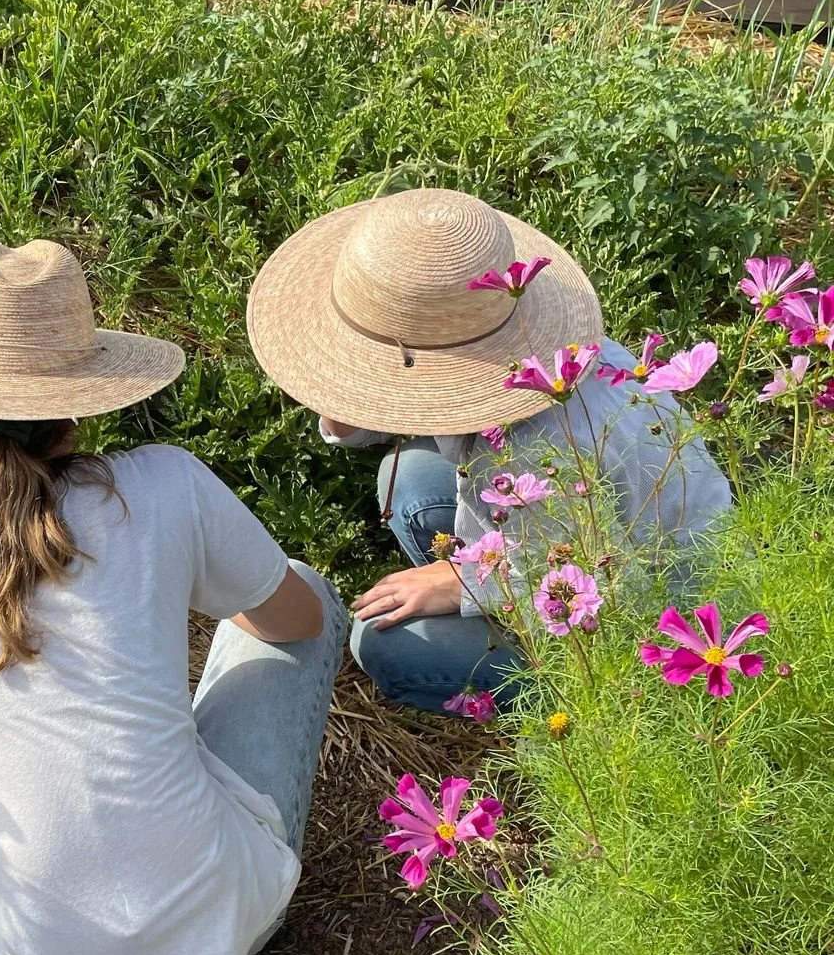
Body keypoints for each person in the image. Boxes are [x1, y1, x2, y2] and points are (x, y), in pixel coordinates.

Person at [0, 238, 347, 955]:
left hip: (11, 947)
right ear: (84, 398)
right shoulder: (162, 483)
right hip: (219, 918)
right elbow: (296, 623)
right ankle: (202, 889)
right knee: (306, 589)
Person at [245, 187, 731, 715]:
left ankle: (564, 695)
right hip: (567, 533)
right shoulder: (545, 360)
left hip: (652, 626)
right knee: (407, 478)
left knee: (385, 646)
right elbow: (413, 402)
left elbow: (611, 588)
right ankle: (498, 615)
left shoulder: (536, 446)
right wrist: (346, 395)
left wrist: (468, 582)